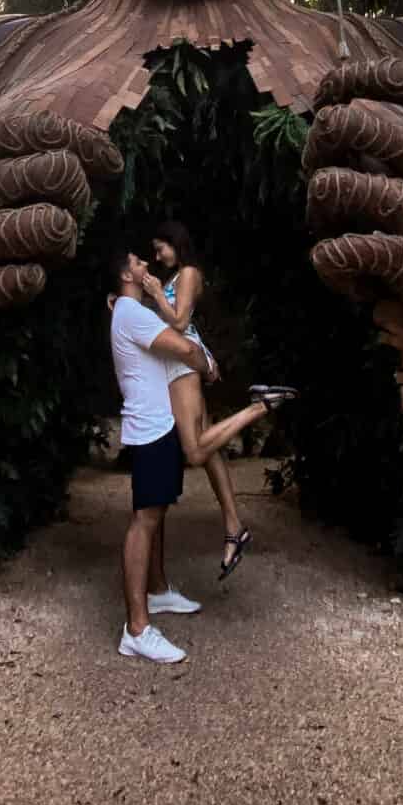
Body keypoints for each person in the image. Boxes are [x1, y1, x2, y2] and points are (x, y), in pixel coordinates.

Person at [108, 250, 291, 663]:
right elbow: (183, 348)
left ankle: (156, 592)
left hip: (157, 425)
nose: (145, 266)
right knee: (144, 521)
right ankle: (136, 629)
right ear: (125, 274)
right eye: (137, 262)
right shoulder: (131, 311)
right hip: (151, 427)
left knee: (155, 513)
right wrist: (206, 363)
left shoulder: (130, 311)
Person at [143, 221, 252, 579]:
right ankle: (234, 529)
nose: (158, 256)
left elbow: (180, 321)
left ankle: (259, 407)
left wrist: (157, 293)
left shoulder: (189, 273)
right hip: (179, 360)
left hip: (181, 364)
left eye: (162, 248)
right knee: (209, 451)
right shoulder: (174, 278)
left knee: (193, 450)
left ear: (177, 243)